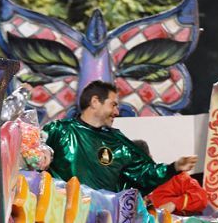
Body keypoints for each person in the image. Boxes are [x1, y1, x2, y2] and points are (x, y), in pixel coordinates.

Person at [44, 80, 197, 192]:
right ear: (95, 101)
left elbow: (143, 173)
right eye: (113, 105)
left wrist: (173, 167)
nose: (117, 112)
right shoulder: (58, 131)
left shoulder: (118, 143)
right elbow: (31, 158)